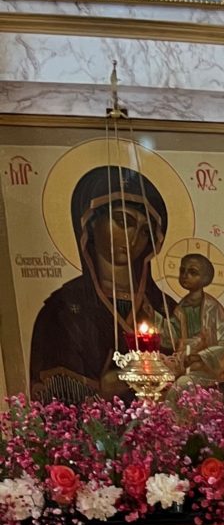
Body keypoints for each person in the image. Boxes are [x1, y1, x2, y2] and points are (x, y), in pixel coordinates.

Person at [28, 163, 175, 404]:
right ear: (91, 222)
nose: (133, 239)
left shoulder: (165, 309)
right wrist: (101, 389)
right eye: (123, 221)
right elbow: (50, 400)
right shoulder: (62, 310)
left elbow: (213, 386)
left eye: (144, 231)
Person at [163, 250, 224, 399]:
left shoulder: (212, 308)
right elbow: (171, 335)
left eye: (192, 272)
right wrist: (153, 317)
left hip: (208, 370)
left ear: (205, 278)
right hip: (184, 365)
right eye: (182, 271)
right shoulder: (181, 308)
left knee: (182, 385)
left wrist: (200, 356)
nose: (185, 275)